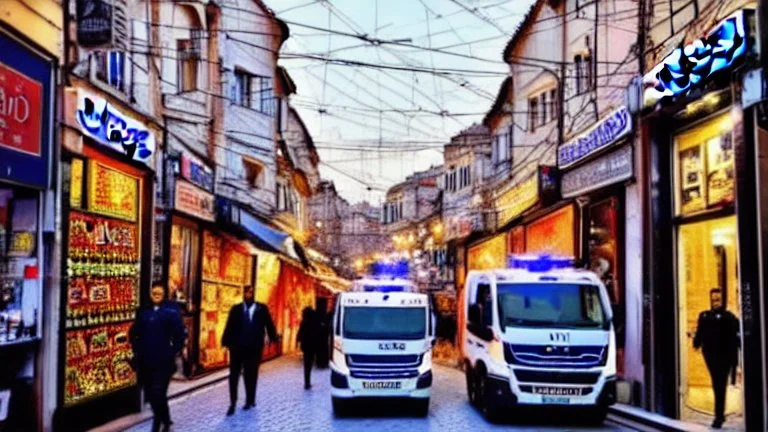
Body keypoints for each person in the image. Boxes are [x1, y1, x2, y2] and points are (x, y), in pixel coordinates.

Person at [130, 284, 187, 432]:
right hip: (146, 360)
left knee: (158, 392)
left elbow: (180, 334)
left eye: (159, 293)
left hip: (164, 361)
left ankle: (158, 424)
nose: (156, 295)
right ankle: (166, 419)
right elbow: (134, 332)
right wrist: (136, 348)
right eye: (154, 292)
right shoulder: (143, 311)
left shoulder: (171, 311)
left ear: (164, 294)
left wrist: (173, 351)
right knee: (150, 393)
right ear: (150, 293)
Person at [221, 285, 278, 416]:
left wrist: (273, 337)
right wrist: (225, 342)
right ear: (243, 294)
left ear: (253, 294)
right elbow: (229, 326)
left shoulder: (261, 309)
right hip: (237, 348)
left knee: (251, 374)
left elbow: (269, 324)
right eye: (246, 292)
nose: (248, 294)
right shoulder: (236, 309)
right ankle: (232, 403)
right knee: (233, 375)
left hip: (254, 348)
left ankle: (250, 399)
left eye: (250, 292)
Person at [693, 288, 740, 429]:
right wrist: (696, 342)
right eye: (713, 300)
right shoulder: (705, 316)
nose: (715, 303)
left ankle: (718, 416)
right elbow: (700, 334)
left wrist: (734, 361)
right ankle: (719, 414)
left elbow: (735, 341)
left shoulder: (730, 318)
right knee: (717, 384)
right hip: (710, 356)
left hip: (724, 356)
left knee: (719, 385)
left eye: (718, 300)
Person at [296, 307, 319, 389]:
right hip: (312, 346)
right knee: (309, 364)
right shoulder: (314, 322)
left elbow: (300, 332)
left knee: (307, 364)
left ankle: (307, 382)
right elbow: (317, 334)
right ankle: (307, 382)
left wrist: (298, 341)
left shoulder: (304, 322)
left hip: (306, 346)